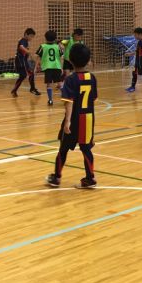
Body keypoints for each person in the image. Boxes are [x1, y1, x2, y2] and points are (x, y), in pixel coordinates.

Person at [45, 44, 98, 189]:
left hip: (74, 119)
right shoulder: (92, 78)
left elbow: (69, 102)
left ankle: (56, 178)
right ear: (88, 61)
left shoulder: (70, 79)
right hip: (88, 118)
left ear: (71, 61)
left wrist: (67, 121)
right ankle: (90, 178)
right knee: (86, 149)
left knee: (63, 149)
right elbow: (93, 99)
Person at [35, 30, 63, 106]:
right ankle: (65, 97)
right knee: (60, 83)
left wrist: (36, 67)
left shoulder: (43, 46)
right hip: (57, 66)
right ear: (55, 38)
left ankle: (50, 100)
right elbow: (61, 57)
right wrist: (61, 67)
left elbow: (38, 57)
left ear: (45, 38)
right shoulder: (57, 46)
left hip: (48, 67)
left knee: (49, 84)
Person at [11, 28, 40, 97]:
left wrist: (32, 58)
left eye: (33, 37)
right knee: (31, 74)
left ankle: (14, 90)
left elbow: (26, 52)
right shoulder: (23, 40)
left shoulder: (24, 41)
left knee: (22, 76)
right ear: (26, 34)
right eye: (31, 36)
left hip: (22, 61)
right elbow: (21, 47)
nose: (31, 38)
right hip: (21, 62)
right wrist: (27, 51)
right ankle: (32, 89)